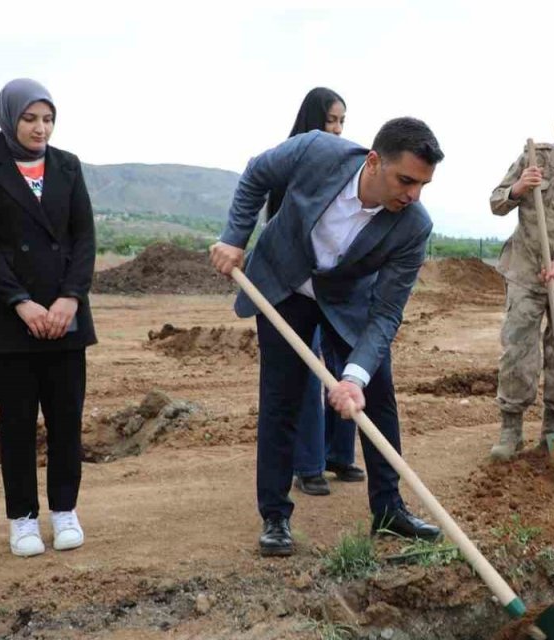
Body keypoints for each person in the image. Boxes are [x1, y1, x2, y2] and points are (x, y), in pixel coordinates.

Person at [209, 117, 444, 556]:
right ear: (374, 162)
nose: (413, 195)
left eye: (422, 185)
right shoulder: (316, 151)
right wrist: (234, 238)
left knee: (378, 395)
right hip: (283, 285)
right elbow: (257, 172)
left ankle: (389, 511)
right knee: (282, 398)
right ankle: (275, 516)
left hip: (347, 302)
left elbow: (386, 311)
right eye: (406, 180)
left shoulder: (413, 225)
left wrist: (354, 378)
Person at [0, 79, 97, 558]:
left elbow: (84, 237)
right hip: (10, 320)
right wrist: (20, 301)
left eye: (48, 119)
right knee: (17, 423)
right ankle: (21, 519)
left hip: (65, 317)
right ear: (10, 118)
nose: (41, 128)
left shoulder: (68, 165)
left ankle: (65, 511)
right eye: (30, 118)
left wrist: (70, 298)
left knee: (66, 419)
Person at [266, 88, 364, 497]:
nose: (338, 129)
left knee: (344, 368)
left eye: (342, 121)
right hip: (295, 288)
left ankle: (338, 455)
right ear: (313, 121)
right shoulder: (291, 161)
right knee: (307, 371)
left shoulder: (346, 167)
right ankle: (307, 465)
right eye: (330, 120)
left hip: (333, 285)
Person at [486, 101, 554, 461]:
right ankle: (511, 431)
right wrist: (519, 188)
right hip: (525, 270)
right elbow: (496, 203)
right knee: (518, 350)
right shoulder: (534, 158)